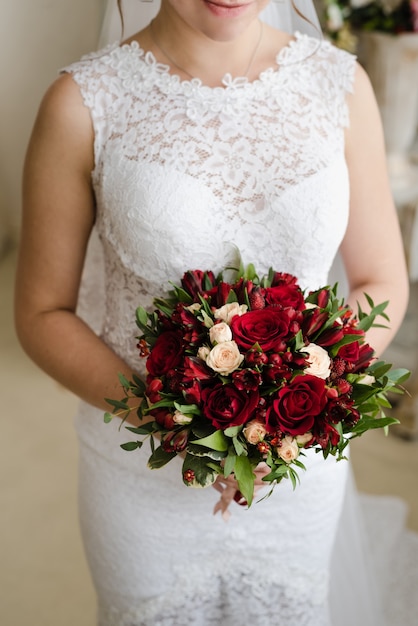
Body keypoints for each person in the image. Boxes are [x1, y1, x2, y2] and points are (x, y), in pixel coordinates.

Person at [14, 0, 417, 624]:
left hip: (295, 466)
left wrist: (298, 399)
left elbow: (379, 279)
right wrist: (176, 420)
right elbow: (42, 311)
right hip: (139, 473)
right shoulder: (83, 101)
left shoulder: (340, 86)